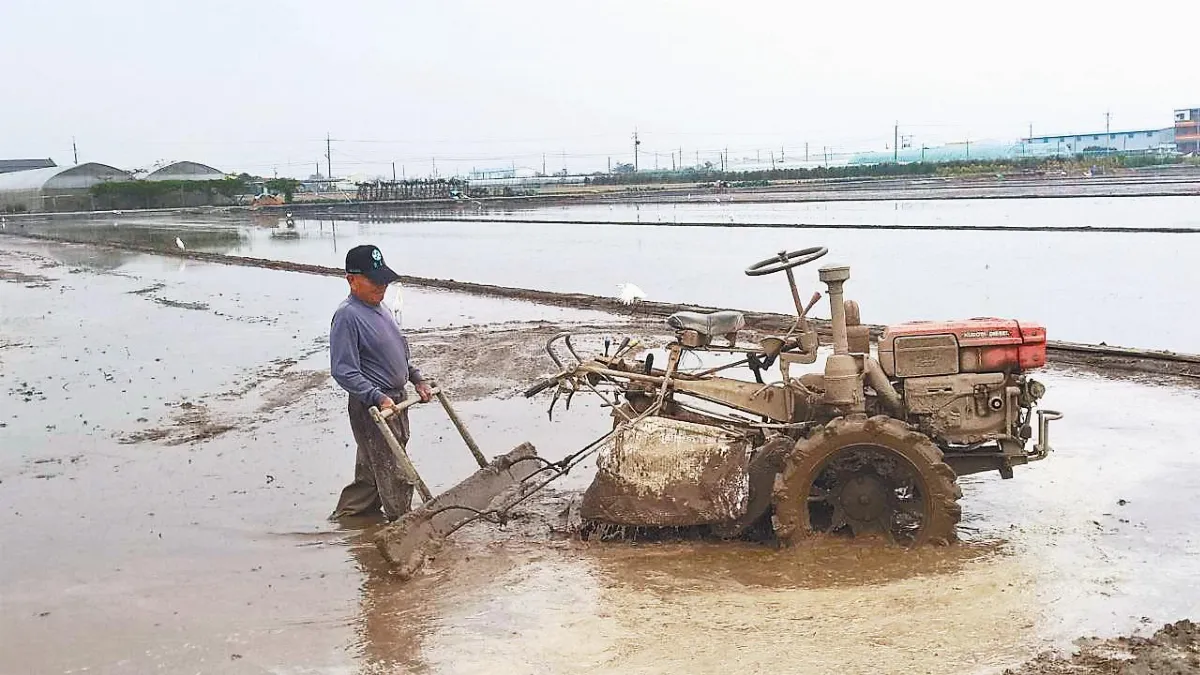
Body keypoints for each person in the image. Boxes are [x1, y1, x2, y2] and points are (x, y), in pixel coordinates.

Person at [329, 244, 433, 521]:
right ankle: (404, 523)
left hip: (395, 399)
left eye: (384, 281)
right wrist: (377, 397)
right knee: (393, 468)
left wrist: (417, 379)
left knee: (372, 470)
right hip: (374, 406)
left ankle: (350, 520)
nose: (382, 286)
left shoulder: (380, 307)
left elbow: (397, 353)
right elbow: (343, 370)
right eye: (374, 281)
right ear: (352, 280)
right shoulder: (347, 316)